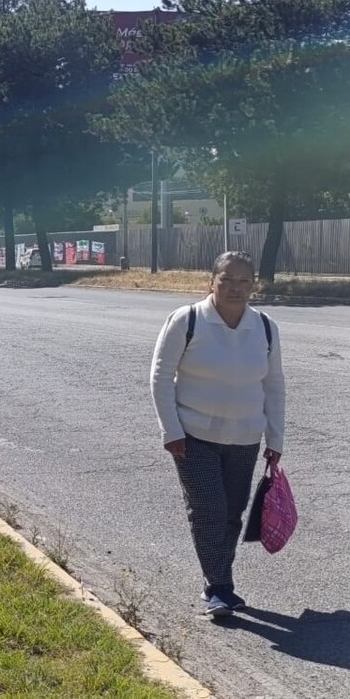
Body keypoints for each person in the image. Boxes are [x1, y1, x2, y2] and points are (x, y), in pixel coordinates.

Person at [150, 250, 285, 617]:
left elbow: (274, 386)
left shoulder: (265, 327)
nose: (235, 288)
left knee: (232, 513)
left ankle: (218, 581)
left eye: (244, 281)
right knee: (209, 509)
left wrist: (275, 439)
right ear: (212, 281)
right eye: (227, 280)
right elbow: (160, 377)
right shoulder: (188, 320)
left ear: (254, 286)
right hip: (193, 436)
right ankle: (219, 587)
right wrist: (171, 430)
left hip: (245, 437)